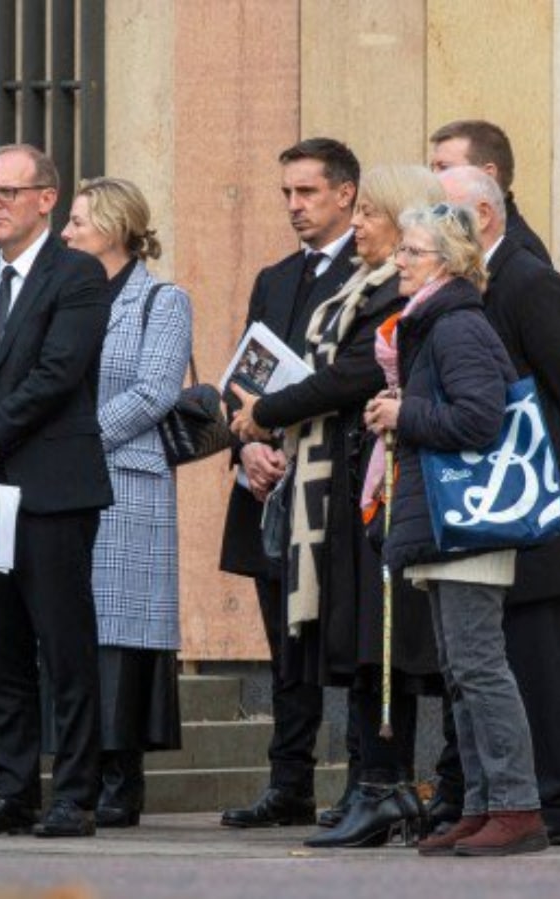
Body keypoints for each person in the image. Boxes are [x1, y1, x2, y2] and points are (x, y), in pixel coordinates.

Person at [230, 165, 445, 848]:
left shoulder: (404, 295)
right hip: (345, 490)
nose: (358, 226)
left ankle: (384, 787)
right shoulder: (362, 286)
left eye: (371, 216)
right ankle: (368, 788)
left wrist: (262, 413)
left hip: (384, 491)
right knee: (356, 645)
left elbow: (350, 375)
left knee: (382, 648)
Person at [0, 144, 112, 838]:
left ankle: (74, 794)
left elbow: (55, 375)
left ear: (47, 199)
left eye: (10, 191)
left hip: (50, 489)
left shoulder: (78, 275)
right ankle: (13, 789)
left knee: (63, 647)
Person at [363, 202, 548, 857]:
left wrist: (404, 411)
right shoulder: (436, 322)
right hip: (450, 524)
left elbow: (480, 420)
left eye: (410, 252)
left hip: (469, 521)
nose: (399, 262)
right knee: (461, 669)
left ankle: (517, 807)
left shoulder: (456, 325)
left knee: (478, 666)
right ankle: (481, 805)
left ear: (442, 260)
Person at [439, 165, 560, 846]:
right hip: (492, 509)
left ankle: (557, 810)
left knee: (536, 663)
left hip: (538, 509)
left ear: (483, 215)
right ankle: (498, 803)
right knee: (489, 662)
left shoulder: (528, 280)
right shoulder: (468, 284)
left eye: (443, 212)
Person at [219, 138, 359, 829]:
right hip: (267, 484)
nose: (295, 206)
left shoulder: (375, 272)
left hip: (335, 484)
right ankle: (290, 782)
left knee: (344, 636)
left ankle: (368, 779)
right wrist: (246, 448)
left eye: (307, 192)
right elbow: (243, 381)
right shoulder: (275, 277)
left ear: (347, 194)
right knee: (284, 645)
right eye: (286, 194)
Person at [58, 177, 193, 827]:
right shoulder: (64, 295)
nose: (66, 232)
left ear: (112, 228)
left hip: (125, 481)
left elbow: (155, 390)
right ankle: (75, 767)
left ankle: (120, 775)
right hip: (63, 480)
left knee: (121, 629)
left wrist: (79, 440)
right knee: (73, 625)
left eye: (78, 222)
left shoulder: (160, 302)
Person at [429, 119, 551, 266]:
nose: (433, 178)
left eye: (444, 167)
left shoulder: (521, 253)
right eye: (432, 168)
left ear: (487, 175)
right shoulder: (462, 236)